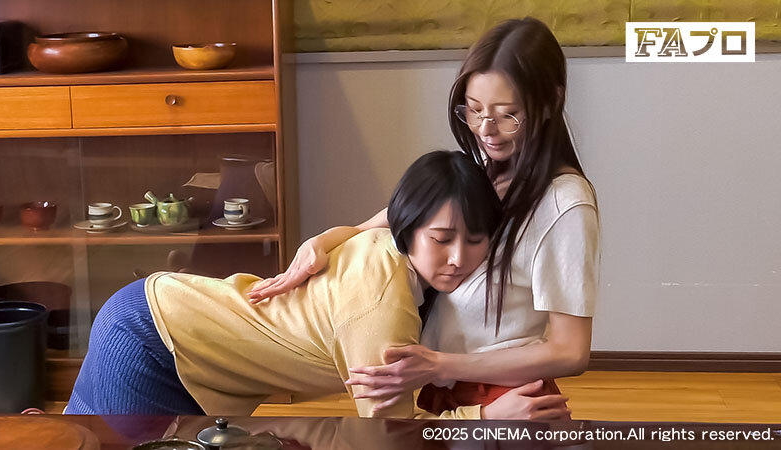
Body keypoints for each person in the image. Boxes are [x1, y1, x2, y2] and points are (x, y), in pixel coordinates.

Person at [249, 17, 599, 419]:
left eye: (508, 115)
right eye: (474, 110)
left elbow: (570, 352)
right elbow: (382, 224)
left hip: (504, 396)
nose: (486, 130)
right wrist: (319, 244)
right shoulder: (481, 168)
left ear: (551, 102)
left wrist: (440, 364)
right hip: (445, 387)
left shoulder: (565, 204)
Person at [65, 150, 569, 419]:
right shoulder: (382, 302)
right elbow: (389, 437)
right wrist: (488, 422)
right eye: (442, 239)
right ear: (408, 226)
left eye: (476, 241)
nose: (459, 258)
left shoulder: (386, 248)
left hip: (168, 330)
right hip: (153, 340)